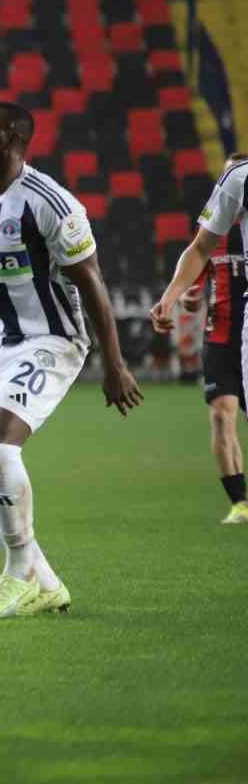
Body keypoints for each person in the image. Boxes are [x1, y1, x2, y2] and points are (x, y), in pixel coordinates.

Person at [0, 102, 142, 619]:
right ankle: (43, 580)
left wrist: (114, 363)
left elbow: (90, 280)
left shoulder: (50, 202)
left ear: (13, 137)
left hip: (51, 340)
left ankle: (17, 574)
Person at [152, 154, 248, 524]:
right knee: (222, 414)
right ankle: (240, 500)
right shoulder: (215, 230)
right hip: (224, 330)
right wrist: (185, 295)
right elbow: (198, 267)